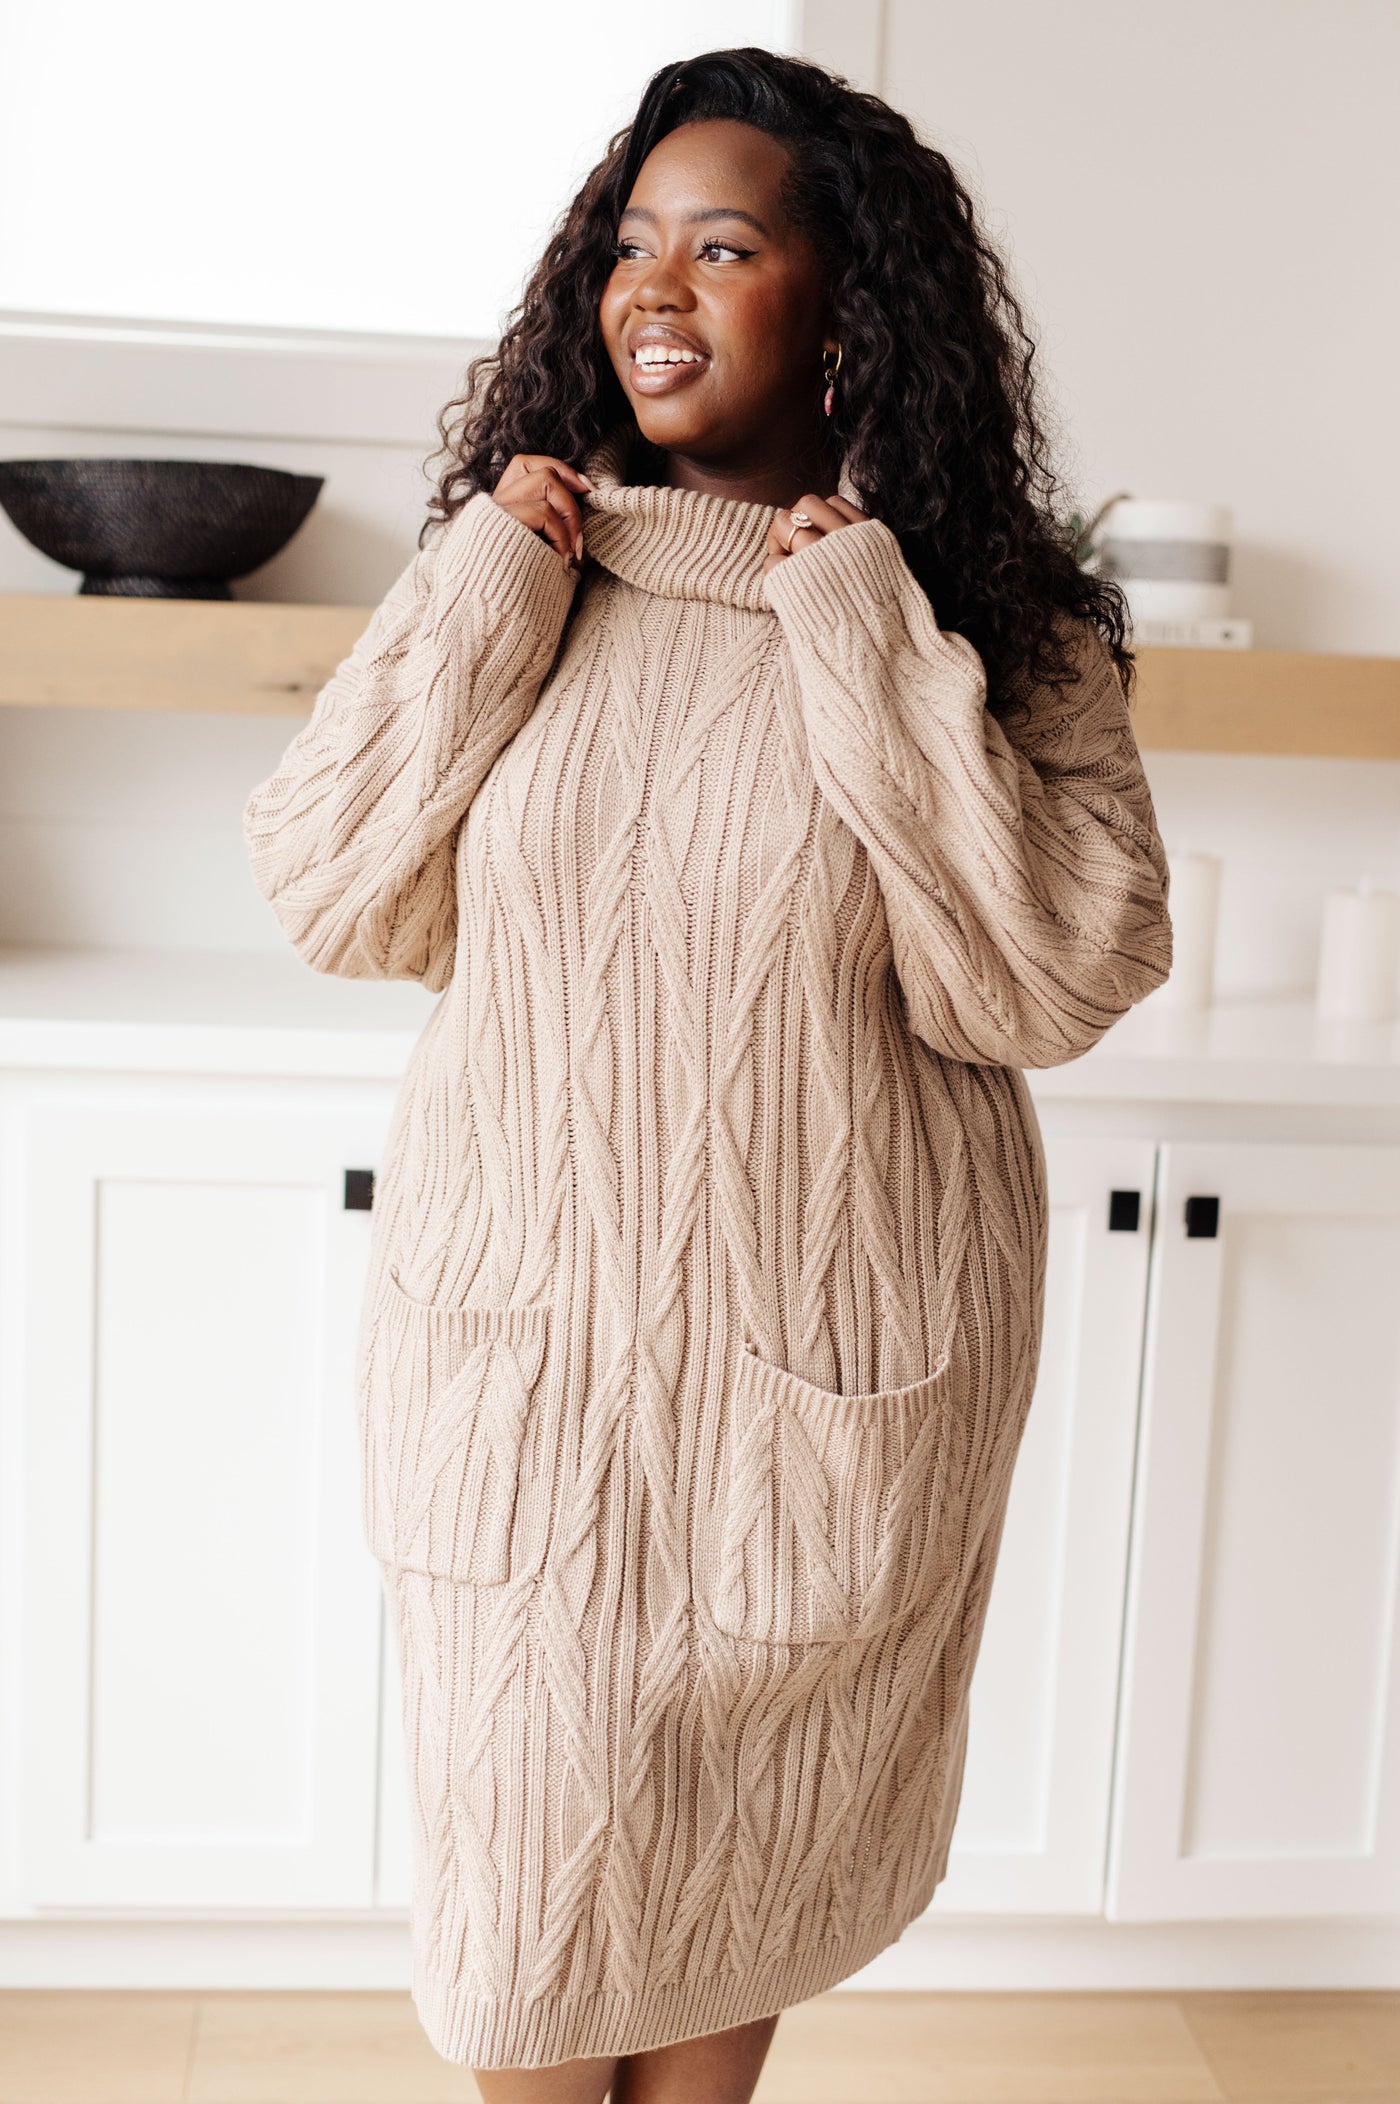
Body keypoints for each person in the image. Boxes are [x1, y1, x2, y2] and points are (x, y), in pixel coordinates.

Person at [244, 46, 1172, 2104]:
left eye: (725, 246)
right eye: (631, 243)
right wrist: (486, 594)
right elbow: (328, 887)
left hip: (821, 1369)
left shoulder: (984, 626)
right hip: (522, 1374)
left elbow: (1049, 977)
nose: (654, 287)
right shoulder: (520, 569)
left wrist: (864, 638)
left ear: (846, 307)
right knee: (525, 1942)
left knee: (729, 1878)